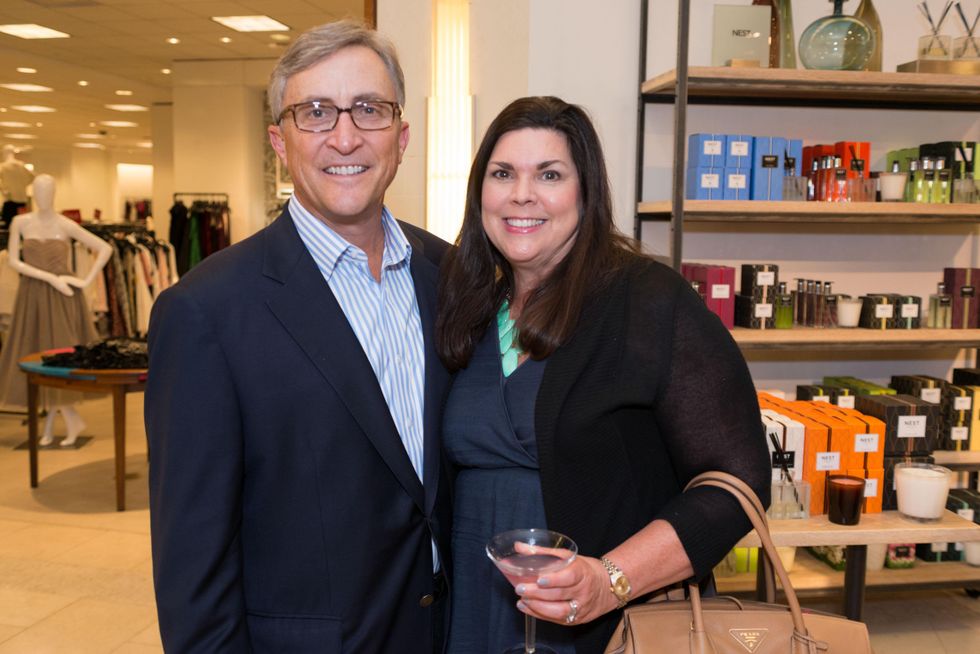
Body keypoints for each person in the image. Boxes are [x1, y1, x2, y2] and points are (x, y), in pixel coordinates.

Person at [145, 20, 452, 654]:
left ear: (403, 136)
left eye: (368, 109)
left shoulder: (451, 276)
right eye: (314, 113)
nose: (345, 136)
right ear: (279, 143)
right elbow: (193, 572)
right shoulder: (205, 312)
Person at [436, 96, 771, 654]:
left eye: (549, 174)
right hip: (474, 616)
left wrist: (609, 580)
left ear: (585, 192)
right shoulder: (466, 306)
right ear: (480, 194)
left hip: (607, 629)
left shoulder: (648, 302)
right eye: (503, 174)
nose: (522, 194)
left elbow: (736, 484)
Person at [0, 173, 111, 446]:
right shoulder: (21, 222)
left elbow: (104, 248)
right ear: (32, 192)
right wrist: (51, 278)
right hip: (34, 294)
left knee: (58, 355)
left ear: (55, 193)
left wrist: (84, 281)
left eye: (48, 190)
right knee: (36, 353)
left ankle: (58, 423)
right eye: (38, 190)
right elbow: (14, 261)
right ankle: (57, 423)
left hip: (62, 297)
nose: (43, 195)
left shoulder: (65, 224)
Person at [0, 145, 35, 227]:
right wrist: (23, 185)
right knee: (22, 225)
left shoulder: (3, 166)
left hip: (10, 200)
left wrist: (3, 188)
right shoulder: (21, 165)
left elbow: (32, 177)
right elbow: (32, 177)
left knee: (11, 226)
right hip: (22, 201)